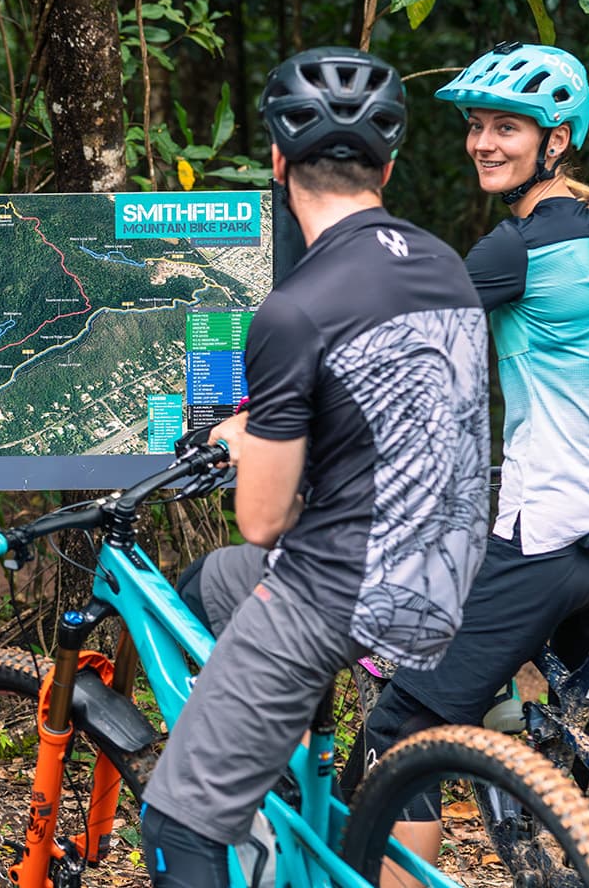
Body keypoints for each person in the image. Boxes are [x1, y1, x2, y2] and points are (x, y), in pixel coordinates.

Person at [139, 47, 492, 887]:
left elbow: (263, 519)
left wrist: (252, 444)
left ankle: (227, 793)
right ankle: (283, 781)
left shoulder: (294, 309)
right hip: (450, 581)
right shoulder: (447, 267)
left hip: (339, 593)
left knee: (176, 821)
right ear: (389, 167)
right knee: (221, 580)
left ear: (276, 160)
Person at [361, 41, 589, 865]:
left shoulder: (513, 250)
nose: (483, 142)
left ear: (556, 142)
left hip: (549, 531)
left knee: (404, 726)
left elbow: (393, 339)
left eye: (507, 128)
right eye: (477, 126)